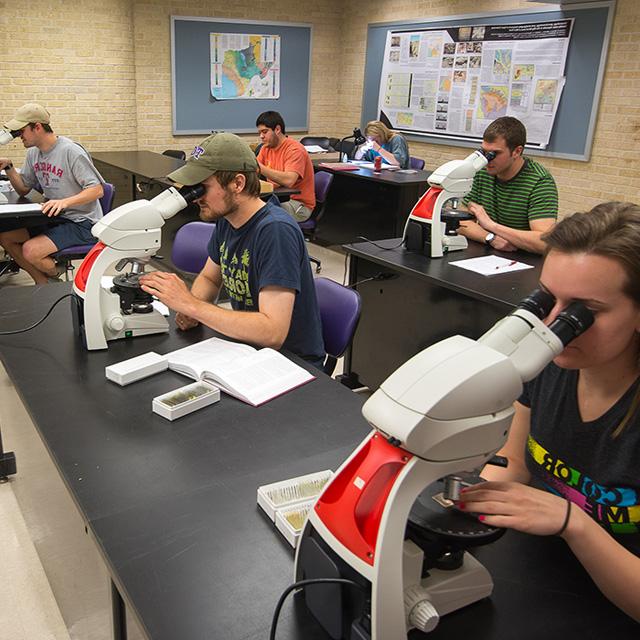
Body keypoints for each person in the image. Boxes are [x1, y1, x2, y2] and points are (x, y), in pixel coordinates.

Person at [458, 201, 640, 621]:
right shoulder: (554, 363)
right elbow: (516, 463)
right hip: (546, 574)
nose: (555, 323)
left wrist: (572, 523)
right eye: (548, 300)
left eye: (585, 311)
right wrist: (452, 494)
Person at [139, 132, 325, 368]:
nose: (195, 198)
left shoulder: (275, 231)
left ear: (238, 183)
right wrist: (193, 310)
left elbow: (273, 333)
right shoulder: (228, 221)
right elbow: (209, 277)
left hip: (290, 363)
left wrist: (191, 304)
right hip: (249, 350)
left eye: (202, 187)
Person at [0, 103, 104, 284]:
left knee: (30, 251)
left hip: (82, 222)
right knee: (6, 236)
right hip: (54, 217)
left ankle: (55, 272)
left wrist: (64, 202)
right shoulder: (34, 153)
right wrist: (9, 168)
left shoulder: (71, 151)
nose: (19, 137)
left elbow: (97, 189)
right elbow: (24, 189)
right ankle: (43, 282)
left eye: (21, 131)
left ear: (37, 127)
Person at [458, 116, 557, 254]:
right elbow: (461, 222)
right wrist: (490, 237)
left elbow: (544, 242)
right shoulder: (482, 171)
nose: (487, 159)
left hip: (524, 259)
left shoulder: (539, 181)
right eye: (485, 152)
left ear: (516, 151)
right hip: (490, 252)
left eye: (495, 153)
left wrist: (491, 226)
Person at [255, 111, 316, 222]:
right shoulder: (266, 148)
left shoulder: (294, 150)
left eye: (265, 132)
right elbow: (254, 170)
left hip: (298, 205)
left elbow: (289, 180)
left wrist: (260, 168)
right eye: (259, 132)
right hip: (276, 197)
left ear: (277, 129)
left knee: (259, 217)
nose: (261, 136)